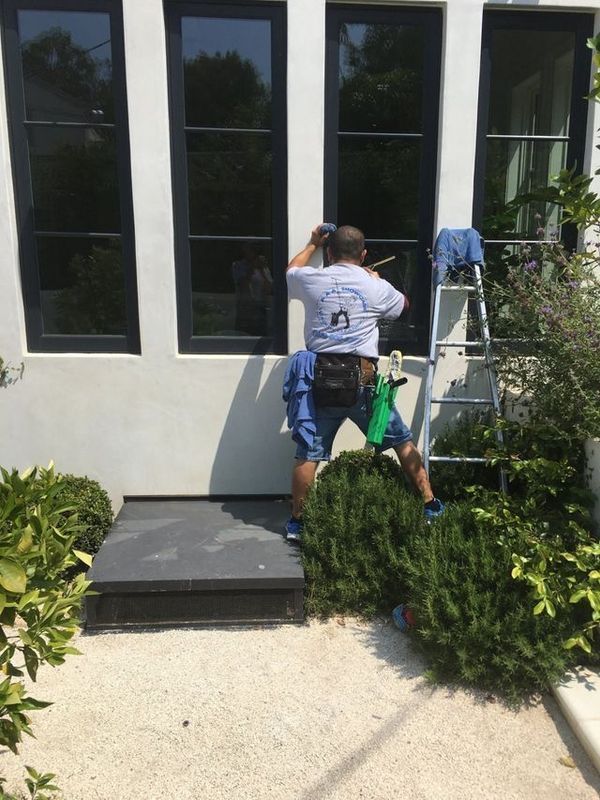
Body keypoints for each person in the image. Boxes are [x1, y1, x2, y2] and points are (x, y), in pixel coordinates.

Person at [283, 223, 444, 543]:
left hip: (321, 382)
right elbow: (404, 306)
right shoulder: (375, 287)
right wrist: (377, 279)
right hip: (363, 383)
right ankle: (429, 504)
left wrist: (311, 243)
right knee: (402, 440)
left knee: (308, 453)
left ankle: (297, 524)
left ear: (330, 253)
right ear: (364, 254)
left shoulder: (313, 279)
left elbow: (291, 270)